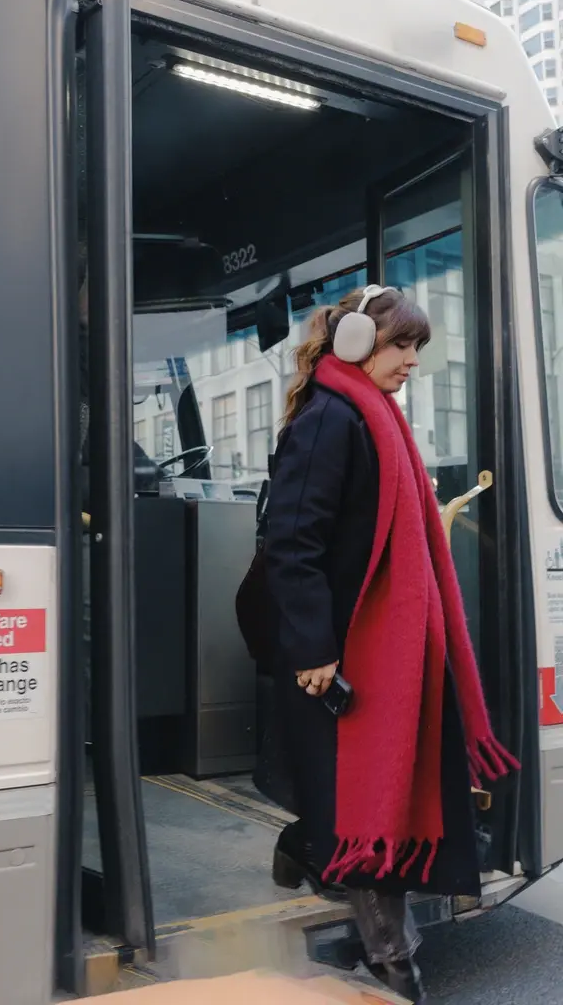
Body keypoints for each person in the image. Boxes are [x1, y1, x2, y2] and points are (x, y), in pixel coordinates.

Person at [257, 285, 518, 1005]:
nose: (412, 361)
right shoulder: (332, 420)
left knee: (365, 798)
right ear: (355, 343)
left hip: (372, 650)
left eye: (416, 348)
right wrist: (314, 651)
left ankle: (305, 848)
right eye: (402, 344)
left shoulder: (371, 418)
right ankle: (396, 968)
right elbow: (292, 543)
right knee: (370, 807)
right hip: (338, 655)